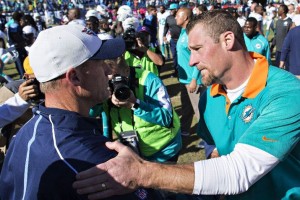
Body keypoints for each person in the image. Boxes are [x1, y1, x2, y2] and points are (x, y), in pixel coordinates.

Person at [73, 10, 300, 200]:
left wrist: (142, 172)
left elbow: (239, 171)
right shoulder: (209, 96)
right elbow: (215, 149)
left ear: (228, 40)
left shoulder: (286, 93)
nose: (191, 61)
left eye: (197, 49)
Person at [0, 24, 158, 200]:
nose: (109, 71)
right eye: (101, 63)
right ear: (75, 77)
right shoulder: (98, 164)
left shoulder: (25, 133)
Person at [103, 56, 181, 162]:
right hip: (133, 152)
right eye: (107, 80)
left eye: (116, 78)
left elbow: (167, 118)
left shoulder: (149, 80)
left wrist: (135, 104)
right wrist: (98, 99)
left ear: (127, 70)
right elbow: (92, 115)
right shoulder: (103, 88)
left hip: (164, 150)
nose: (113, 84)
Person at [175, 7, 203, 137]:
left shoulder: (191, 34)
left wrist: (194, 79)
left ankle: (208, 138)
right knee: (186, 107)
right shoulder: (182, 32)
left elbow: (198, 59)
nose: (175, 17)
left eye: (178, 15)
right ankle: (184, 129)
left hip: (193, 80)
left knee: (199, 110)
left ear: (186, 17)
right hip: (183, 80)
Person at [163, 3, 181, 77]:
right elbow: (166, 27)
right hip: (173, 40)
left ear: (176, 9)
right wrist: (164, 35)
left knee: (181, 56)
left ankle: (183, 72)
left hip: (181, 40)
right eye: (170, 9)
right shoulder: (168, 18)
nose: (171, 11)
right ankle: (176, 71)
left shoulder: (181, 17)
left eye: (172, 9)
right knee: (174, 56)